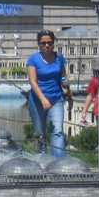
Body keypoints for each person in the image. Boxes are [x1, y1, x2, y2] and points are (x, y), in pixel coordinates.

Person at [25, 29, 70, 157]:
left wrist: (69, 95)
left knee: (57, 130)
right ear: (38, 44)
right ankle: (42, 159)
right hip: (37, 100)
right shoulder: (33, 59)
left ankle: (58, 160)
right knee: (40, 133)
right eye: (43, 43)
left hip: (56, 98)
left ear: (53, 43)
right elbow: (33, 82)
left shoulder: (59, 57)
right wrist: (43, 99)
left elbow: (64, 77)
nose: (46, 45)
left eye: (49, 43)